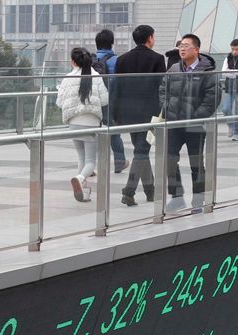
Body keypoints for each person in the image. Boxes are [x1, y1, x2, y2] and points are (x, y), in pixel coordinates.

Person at [159, 33, 219, 214]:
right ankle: (177, 198)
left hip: (195, 126)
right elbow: (163, 90)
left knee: (196, 164)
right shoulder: (174, 69)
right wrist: (167, 109)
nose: (182, 49)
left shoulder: (207, 72)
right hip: (174, 124)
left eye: (186, 46)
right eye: (180, 46)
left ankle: (198, 201)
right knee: (169, 160)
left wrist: (196, 116)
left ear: (197, 49)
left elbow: (212, 98)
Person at [115, 24, 167, 207]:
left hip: (128, 112)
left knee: (141, 150)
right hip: (149, 113)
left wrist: (117, 114)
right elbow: (162, 87)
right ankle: (129, 191)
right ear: (150, 38)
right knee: (142, 151)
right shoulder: (157, 59)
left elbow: (117, 88)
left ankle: (150, 191)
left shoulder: (122, 60)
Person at [57, 47, 108, 203]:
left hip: (73, 122)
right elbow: (105, 100)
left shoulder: (68, 77)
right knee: (91, 161)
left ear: (73, 61)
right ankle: (79, 179)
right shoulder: (96, 76)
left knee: (81, 157)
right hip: (91, 122)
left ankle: (82, 189)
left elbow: (59, 102)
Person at [92, 29, 127, 173]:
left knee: (91, 133)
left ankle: (89, 166)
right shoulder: (116, 60)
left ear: (96, 43)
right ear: (112, 43)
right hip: (110, 101)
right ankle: (119, 162)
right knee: (114, 132)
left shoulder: (89, 60)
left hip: (92, 102)